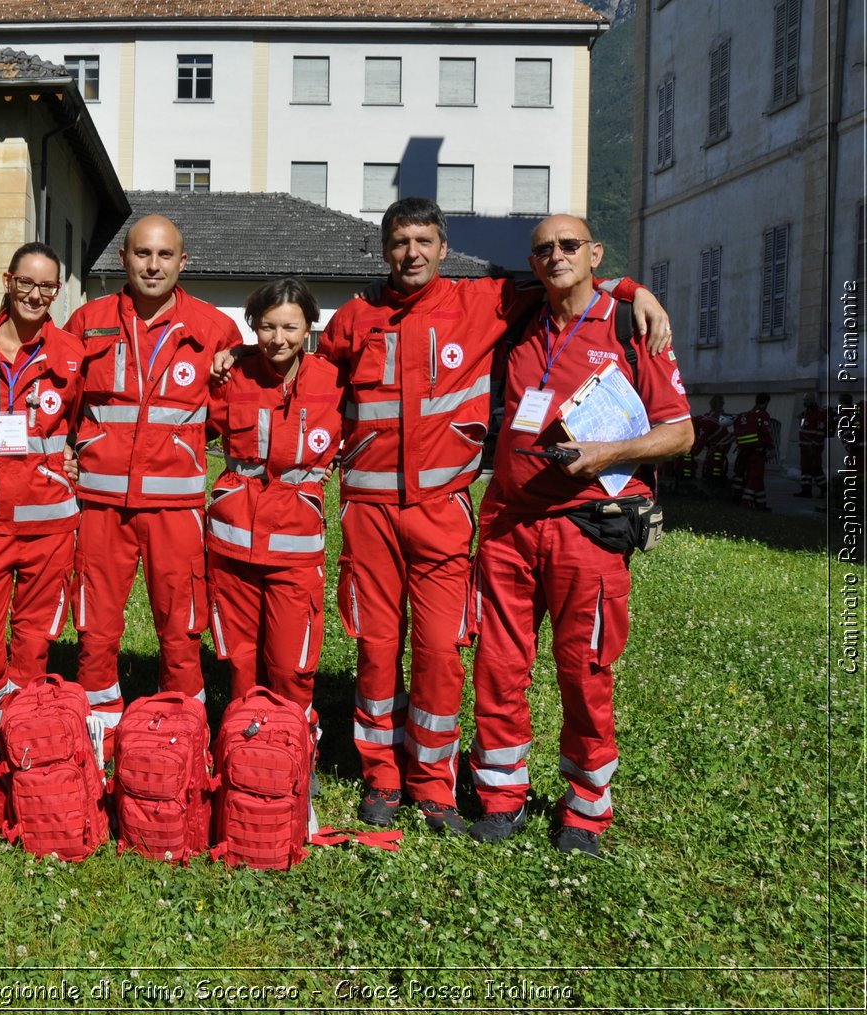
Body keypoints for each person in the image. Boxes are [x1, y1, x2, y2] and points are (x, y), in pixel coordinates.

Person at [306, 198, 670, 834]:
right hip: (367, 515)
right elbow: (309, 375)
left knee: (442, 652)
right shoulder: (355, 317)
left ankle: (432, 781)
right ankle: (380, 776)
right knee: (375, 647)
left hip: (443, 513)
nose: (411, 253)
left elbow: (569, 277)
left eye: (423, 240)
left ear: (445, 249)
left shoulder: (487, 302)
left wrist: (632, 289)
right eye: (399, 242)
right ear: (383, 250)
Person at [468, 214, 692, 857]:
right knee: (498, 665)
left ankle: (586, 808)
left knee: (584, 670)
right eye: (544, 249)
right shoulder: (521, 322)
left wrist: (607, 452)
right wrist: (625, 283)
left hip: (586, 530)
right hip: (509, 525)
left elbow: (680, 433)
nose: (556, 256)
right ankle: (501, 795)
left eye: (570, 245)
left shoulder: (630, 326)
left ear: (595, 252)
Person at [62, 215, 238, 745]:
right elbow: (55, 401)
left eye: (164, 256)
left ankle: (182, 734)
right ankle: (100, 735)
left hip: (176, 507)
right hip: (100, 501)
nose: (153, 265)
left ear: (183, 262)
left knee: (182, 627)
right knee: (95, 627)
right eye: (142, 254)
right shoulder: (87, 321)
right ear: (123, 258)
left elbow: (241, 412)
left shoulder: (214, 331)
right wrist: (64, 453)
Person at [0, 243, 84, 730]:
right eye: (26, 282)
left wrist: (75, 460)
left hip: (48, 516)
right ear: (7, 281)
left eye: (47, 285)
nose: (35, 294)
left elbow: (88, 422)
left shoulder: (71, 352)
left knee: (35, 635)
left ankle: (22, 726)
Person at [204, 278, 343, 716]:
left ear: (309, 329)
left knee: (291, 664)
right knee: (241, 659)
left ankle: (295, 748)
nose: (277, 339)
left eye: (289, 328)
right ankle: (246, 749)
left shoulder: (337, 380)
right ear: (252, 327)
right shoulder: (231, 375)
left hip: (295, 548)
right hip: (232, 542)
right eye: (266, 327)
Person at [733, 393, 775, 510]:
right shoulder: (763, 415)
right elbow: (766, 432)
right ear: (766, 403)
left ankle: (761, 504)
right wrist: (771, 447)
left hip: (744, 452)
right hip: (757, 453)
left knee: (756, 477)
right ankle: (746, 502)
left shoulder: (744, 415)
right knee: (754, 477)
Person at [795, 394, 827, 498]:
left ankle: (825, 490)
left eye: (807, 400)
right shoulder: (806, 412)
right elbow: (804, 426)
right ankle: (806, 490)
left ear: (813, 400)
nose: (805, 402)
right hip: (804, 447)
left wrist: (814, 445)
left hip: (813, 448)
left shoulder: (819, 413)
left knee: (816, 469)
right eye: (804, 400)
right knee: (805, 470)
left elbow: (820, 431)